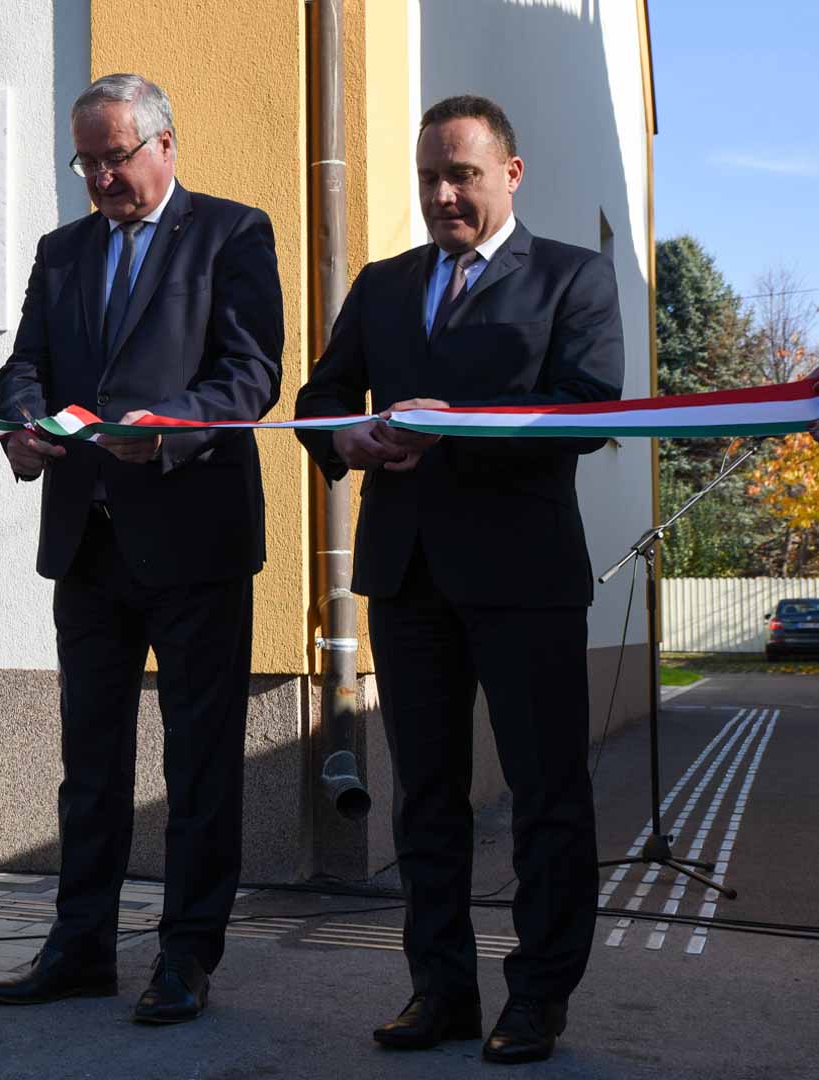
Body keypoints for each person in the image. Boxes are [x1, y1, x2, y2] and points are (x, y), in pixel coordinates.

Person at [293, 94, 624, 1064]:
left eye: (463, 175)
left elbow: (589, 409)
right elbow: (320, 395)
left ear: (510, 175)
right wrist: (345, 439)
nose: (443, 194)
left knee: (545, 794)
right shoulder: (385, 284)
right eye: (430, 177)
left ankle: (538, 999)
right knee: (425, 798)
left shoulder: (572, 276)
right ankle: (438, 990)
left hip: (525, 576)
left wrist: (459, 428)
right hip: (406, 576)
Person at [0, 74, 282, 1024]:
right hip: (88, 539)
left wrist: (168, 434)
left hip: (194, 538)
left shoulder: (233, 232)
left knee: (199, 762)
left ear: (165, 143)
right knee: (90, 762)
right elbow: (25, 363)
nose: (102, 178)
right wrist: (22, 424)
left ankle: (186, 957)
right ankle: (80, 947)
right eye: (87, 163)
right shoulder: (61, 250)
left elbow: (251, 376)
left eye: (115, 157)